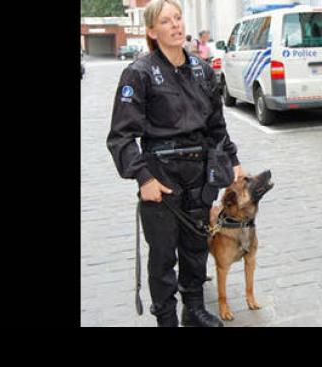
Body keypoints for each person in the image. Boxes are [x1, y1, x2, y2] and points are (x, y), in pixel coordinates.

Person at [106, 0, 245, 327]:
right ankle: (166, 317)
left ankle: (193, 308)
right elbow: (121, 136)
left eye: (178, 18)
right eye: (166, 21)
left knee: (196, 246)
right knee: (164, 255)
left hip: (199, 173)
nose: (176, 25)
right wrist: (143, 178)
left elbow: (217, 126)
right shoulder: (138, 73)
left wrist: (232, 162)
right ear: (152, 31)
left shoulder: (203, 69)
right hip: (162, 176)